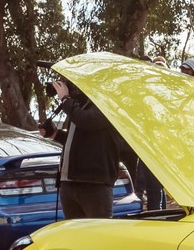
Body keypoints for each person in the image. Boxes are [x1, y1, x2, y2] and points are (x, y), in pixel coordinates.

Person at [43, 77, 132, 219]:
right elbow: (82, 140)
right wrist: (55, 134)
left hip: (95, 185)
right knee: (76, 237)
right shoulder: (80, 105)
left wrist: (66, 99)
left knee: (98, 236)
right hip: (70, 183)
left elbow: (87, 121)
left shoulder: (107, 104)